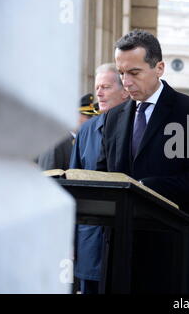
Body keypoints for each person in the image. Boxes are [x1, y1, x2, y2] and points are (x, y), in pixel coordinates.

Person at [96, 29, 189, 293]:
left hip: (172, 251)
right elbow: (104, 173)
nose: (126, 82)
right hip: (122, 255)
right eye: (121, 73)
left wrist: (141, 188)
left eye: (134, 72)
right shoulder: (112, 117)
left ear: (159, 67)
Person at [70, 64, 130, 294]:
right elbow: (74, 185)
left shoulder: (138, 127)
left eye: (106, 86)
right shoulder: (87, 130)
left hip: (125, 240)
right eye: (97, 87)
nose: (99, 93)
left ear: (124, 91)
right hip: (91, 240)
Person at [36, 93, 98, 171]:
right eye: (88, 116)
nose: (92, 120)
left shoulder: (85, 141)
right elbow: (50, 177)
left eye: (93, 116)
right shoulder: (56, 142)